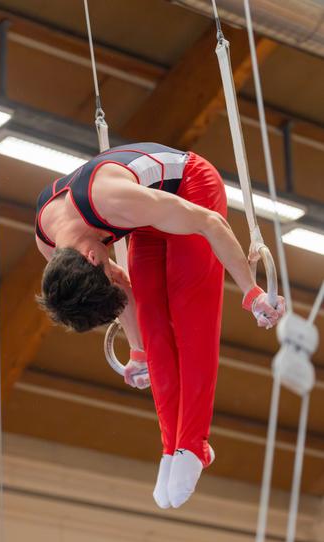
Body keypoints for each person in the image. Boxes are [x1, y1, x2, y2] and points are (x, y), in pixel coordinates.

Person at [35, 142, 285, 509]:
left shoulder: (113, 201)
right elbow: (116, 283)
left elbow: (210, 224)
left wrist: (252, 293)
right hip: (145, 218)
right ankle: (171, 448)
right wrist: (138, 352)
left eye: (106, 269)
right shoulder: (53, 247)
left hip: (189, 188)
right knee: (153, 330)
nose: (115, 271)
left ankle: (194, 445)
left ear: (90, 257)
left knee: (190, 316)